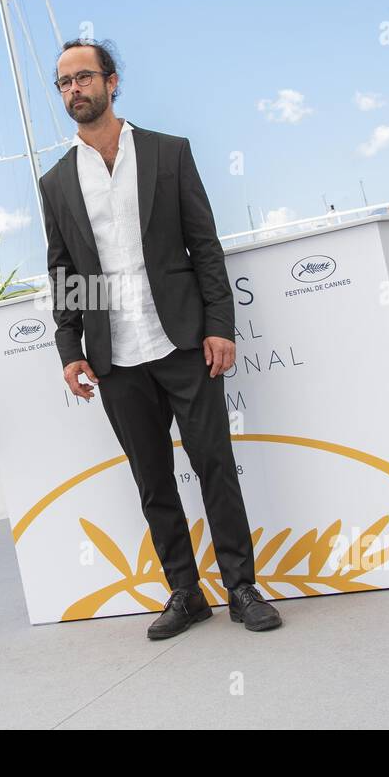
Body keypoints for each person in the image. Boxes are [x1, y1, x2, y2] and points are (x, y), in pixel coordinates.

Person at [37, 38, 280, 640]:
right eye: (64, 82)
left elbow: (206, 245)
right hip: (114, 357)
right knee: (152, 481)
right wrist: (70, 350)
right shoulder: (56, 182)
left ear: (112, 82)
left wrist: (220, 325)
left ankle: (242, 587)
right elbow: (63, 271)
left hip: (182, 343)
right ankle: (184, 592)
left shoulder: (169, 154)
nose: (74, 90)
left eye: (84, 77)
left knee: (214, 465)